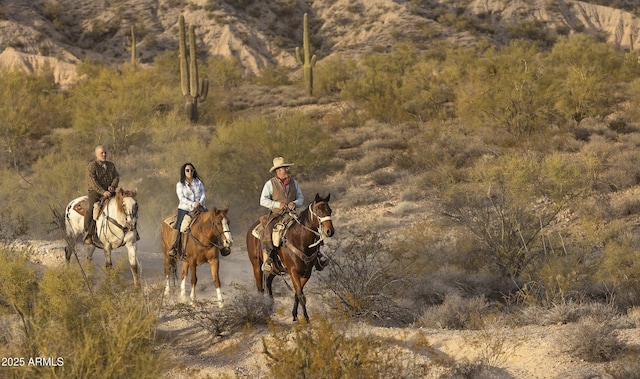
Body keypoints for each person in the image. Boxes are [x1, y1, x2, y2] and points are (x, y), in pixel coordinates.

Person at [259, 156, 327, 272]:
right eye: (285, 168)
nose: (287, 170)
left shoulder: (294, 183)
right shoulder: (270, 184)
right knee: (268, 230)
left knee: (309, 228)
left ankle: (318, 255)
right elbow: (263, 200)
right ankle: (269, 259)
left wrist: (294, 204)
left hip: (292, 214)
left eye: (286, 168)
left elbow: (301, 198)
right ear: (278, 170)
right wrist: (278, 205)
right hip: (276, 215)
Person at [167, 163, 207, 257]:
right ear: (184, 172)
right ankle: (173, 247)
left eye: (192, 170)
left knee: (214, 220)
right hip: (185, 208)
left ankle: (221, 245)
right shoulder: (180, 184)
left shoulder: (199, 182)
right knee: (179, 225)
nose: (190, 172)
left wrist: (201, 201)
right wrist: (193, 204)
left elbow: (203, 194)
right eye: (187, 170)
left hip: (200, 207)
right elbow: (181, 198)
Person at [84, 145, 119, 244]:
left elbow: (116, 176)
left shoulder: (111, 165)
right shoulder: (91, 166)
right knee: (92, 208)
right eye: (101, 153)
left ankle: (129, 230)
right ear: (96, 154)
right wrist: (103, 192)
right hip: (95, 192)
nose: (104, 154)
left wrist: (113, 186)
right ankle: (88, 232)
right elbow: (92, 182)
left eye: (105, 153)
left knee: (123, 203)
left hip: (110, 191)